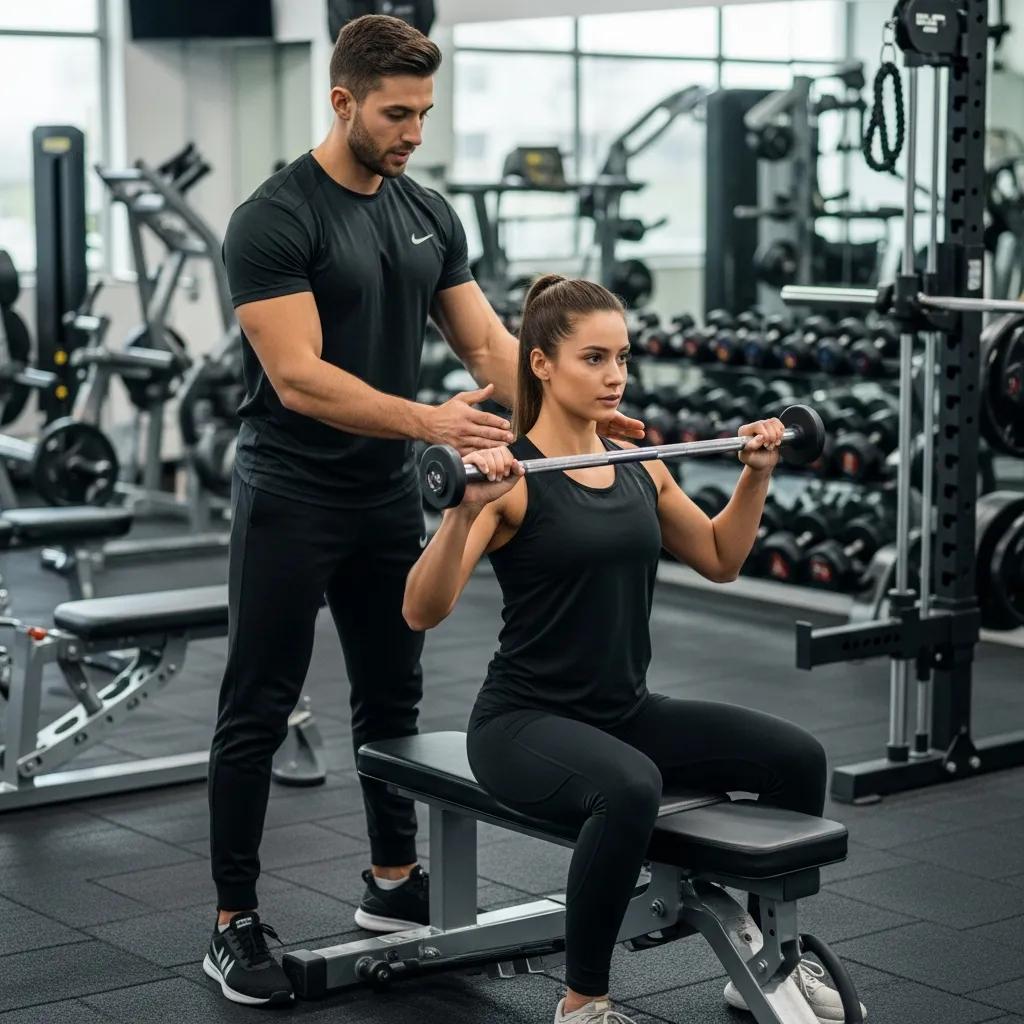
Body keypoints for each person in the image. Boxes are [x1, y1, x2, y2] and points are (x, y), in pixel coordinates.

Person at [203, 16, 643, 1008]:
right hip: (290, 491)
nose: (412, 131)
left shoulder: (427, 212)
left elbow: (487, 342)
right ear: (343, 100)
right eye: (396, 114)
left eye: (424, 115)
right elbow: (300, 375)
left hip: (381, 495)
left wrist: (567, 416)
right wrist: (430, 424)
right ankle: (233, 918)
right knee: (257, 705)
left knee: (391, 693)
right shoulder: (275, 217)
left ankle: (392, 884)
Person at [403, 275, 868, 1024]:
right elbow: (420, 609)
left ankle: (765, 961)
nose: (616, 375)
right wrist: (464, 515)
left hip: (622, 709)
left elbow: (719, 558)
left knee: (796, 758)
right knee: (628, 788)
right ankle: (583, 1001)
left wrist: (757, 476)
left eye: (622, 356)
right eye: (594, 358)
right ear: (542, 365)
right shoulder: (513, 480)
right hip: (523, 723)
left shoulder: (641, 464)